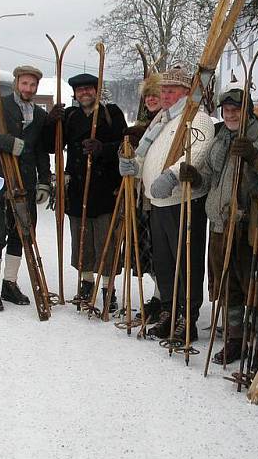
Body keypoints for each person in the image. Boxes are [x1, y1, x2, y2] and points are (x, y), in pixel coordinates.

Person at [119, 64, 215, 341]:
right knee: (165, 264)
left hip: (184, 202)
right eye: (163, 90)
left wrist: (172, 175)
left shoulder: (197, 118)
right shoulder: (162, 119)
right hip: (157, 203)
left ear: (186, 92)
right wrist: (134, 165)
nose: (164, 95)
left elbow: (196, 151)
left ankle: (188, 319)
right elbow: (147, 152)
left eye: (171, 91)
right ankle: (169, 313)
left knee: (186, 263)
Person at [200, 85, 258, 368]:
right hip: (222, 224)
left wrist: (253, 156)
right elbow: (209, 174)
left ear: (247, 111)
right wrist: (194, 177)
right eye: (226, 110)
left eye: (236, 110)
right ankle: (235, 340)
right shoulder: (219, 138)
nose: (231, 115)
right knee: (229, 287)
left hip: (253, 225)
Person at [0, 65, 54, 312]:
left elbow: (42, 151)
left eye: (33, 85)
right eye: (25, 84)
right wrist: (8, 143)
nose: (28, 89)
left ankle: (9, 284)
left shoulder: (40, 116)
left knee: (22, 232)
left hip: (26, 181)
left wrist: (44, 181)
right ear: (17, 83)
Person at [59, 73, 127, 308]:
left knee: (105, 239)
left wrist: (103, 149)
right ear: (75, 94)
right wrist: (51, 123)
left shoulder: (112, 113)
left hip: (105, 189)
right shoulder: (70, 116)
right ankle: (86, 284)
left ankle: (109, 288)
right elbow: (52, 145)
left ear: (96, 91)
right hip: (78, 189)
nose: (84, 93)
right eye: (80, 90)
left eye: (89, 89)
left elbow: (125, 145)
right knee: (82, 239)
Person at [124, 73, 163, 320]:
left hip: (158, 196)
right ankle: (159, 296)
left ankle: (162, 298)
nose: (150, 99)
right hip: (140, 195)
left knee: (160, 250)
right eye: (147, 95)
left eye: (155, 95)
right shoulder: (142, 125)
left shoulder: (167, 123)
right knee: (146, 250)